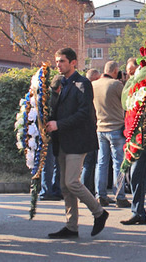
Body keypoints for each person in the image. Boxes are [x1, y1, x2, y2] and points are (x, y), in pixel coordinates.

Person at [46, 48, 108, 239]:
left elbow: (83, 114)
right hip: (62, 140)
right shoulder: (59, 83)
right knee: (65, 186)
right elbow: (54, 109)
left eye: (62, 61)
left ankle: (99, 212)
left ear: (73, 62)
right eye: (57, 61)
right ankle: (71, 226)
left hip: (77, 140)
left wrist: (58, 124)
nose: (58, 65)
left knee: (72, 182)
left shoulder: (82, 83)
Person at [92, 61, 130, 208]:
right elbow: (127, 101)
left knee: (101, 163)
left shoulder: (94, 85)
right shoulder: (116, 85)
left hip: (100, 128)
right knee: (118, 163)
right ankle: (120, 196)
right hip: (116, 128)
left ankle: (100, 195)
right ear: (115, 71)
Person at [39, 75, 64, 201]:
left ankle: (51, 189)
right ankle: (47, 191)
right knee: (50, 163)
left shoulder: (47, 96)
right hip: (50, 134)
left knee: (51, 163)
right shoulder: (53, 99)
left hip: (49, 134)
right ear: (60, 87)